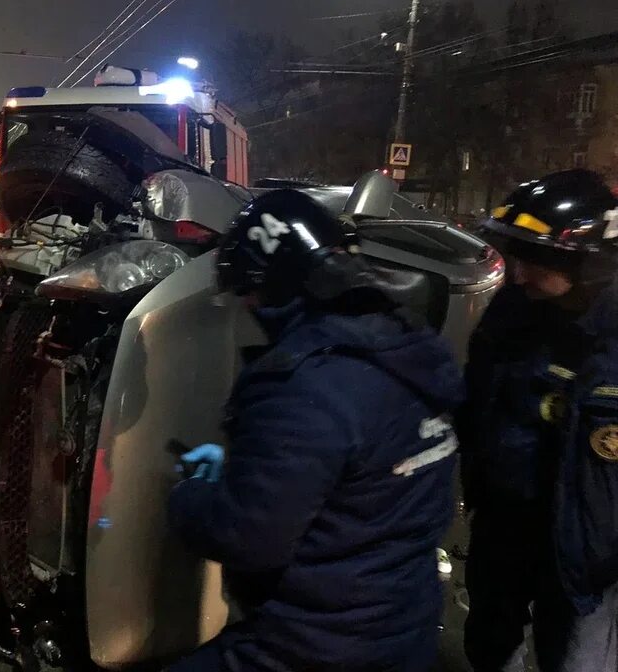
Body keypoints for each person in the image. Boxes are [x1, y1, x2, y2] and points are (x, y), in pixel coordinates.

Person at [167, 189, 464, 672]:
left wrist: (190, 498)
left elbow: (248, 538)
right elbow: (355, 481)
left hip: (317, 644)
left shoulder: (302, 385)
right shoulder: (404, 349)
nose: (247, 304)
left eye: (250, 289)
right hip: (402, 625)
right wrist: (242, 472)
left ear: (278, 287)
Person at [460, 169, 618, 672]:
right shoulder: (513, 310)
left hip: (585, 559)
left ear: (587, 263)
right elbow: (478, 396)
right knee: (489, 648)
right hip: (505, 529)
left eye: (534, 259)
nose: (517, 273)